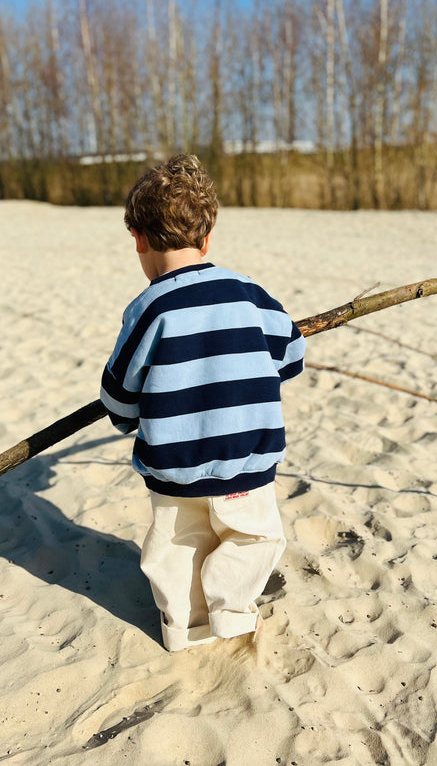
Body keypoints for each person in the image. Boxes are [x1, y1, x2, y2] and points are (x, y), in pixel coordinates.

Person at [100, 154, 306, 651]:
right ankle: (231, 611)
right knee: (255, 539)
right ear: (207, 238)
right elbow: (292, 352)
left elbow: (120, 391)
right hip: (246, 458)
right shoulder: (249, 293)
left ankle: (184, 626)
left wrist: (126, 418)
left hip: (174, 465)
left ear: (139, 240)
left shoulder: (149, 308)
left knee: (175, 546)